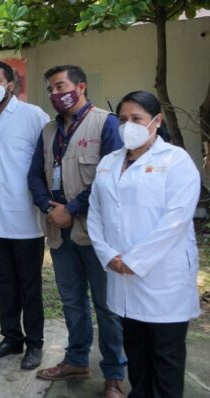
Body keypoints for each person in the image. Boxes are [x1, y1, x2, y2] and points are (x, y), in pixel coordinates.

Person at [88, 90, 201, 398]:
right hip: (122, 279)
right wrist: (108, 255)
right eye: (123, 120)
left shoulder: (176, 161)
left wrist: (134, 261)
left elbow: (175, 221)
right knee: (136, 359)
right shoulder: (109, 162)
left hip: (163, 280)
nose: (128, 125)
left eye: (136, 119)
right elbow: (96, 213)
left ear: (156, 121)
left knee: (165, 361)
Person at [28, 65, 126, 397]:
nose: (56, 94)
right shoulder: (48, 131)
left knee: (106, 305)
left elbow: (109, 177)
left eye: (61, 86)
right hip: (58, 230)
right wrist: (49, 208)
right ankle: (76, 358)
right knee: (71, 301)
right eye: (51, 89)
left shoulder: (105, 124)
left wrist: (71, 209)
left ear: (81, 86)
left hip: (95, 232)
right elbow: (35, 176)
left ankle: (114, 375)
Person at [0, 60, 50, 370]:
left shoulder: (33, 116)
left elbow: (47, 164)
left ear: (11, 84)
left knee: (29, 283)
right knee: (5, 282)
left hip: (24, 218)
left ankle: (34, 343)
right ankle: (11, 337)